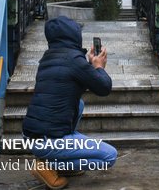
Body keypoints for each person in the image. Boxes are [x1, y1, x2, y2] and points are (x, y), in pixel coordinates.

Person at [22, 16, 117, 189]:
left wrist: (88, 65)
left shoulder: (47, 58)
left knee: (78, 104)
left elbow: (72, 82)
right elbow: (104, 87)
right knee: (109, 157)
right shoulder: (74, 61)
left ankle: (58, 160)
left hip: (31, 136)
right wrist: (98, 67)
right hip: (49, 140)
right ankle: (50, 166)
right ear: (73, 35)